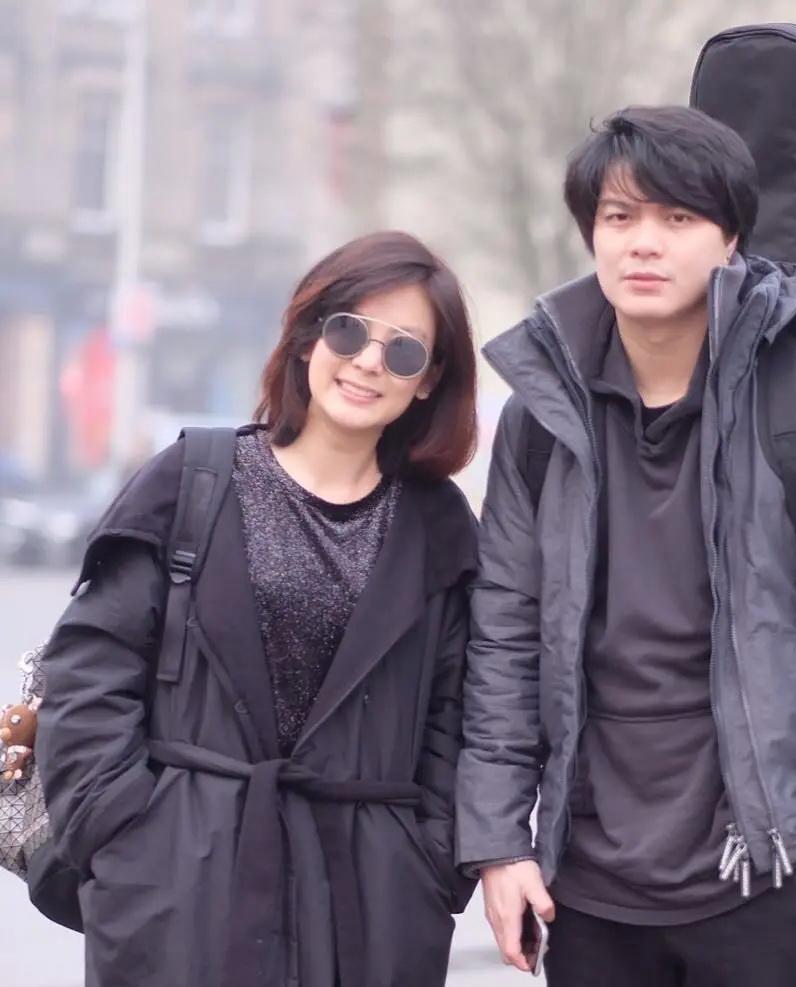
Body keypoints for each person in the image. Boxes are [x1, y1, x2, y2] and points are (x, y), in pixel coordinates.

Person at [456, 106, 796, 987]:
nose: (644, 242)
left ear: (730, 237)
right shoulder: (539, 421)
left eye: (677, 217)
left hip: (768, 878)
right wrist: (497, 844)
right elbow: (505, 638)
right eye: (619, 216)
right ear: (591, 233)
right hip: (588, 888)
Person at [36, 230, 479, 987]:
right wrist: (125, 834)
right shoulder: (192, 480)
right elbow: (88, 675)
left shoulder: (439, 527)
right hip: (179, 894)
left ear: (429, 381)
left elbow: (458, 716)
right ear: (308, 336)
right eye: (350, 330)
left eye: (404, 349)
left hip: (369, 907)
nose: (369, 361)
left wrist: (426, 863)